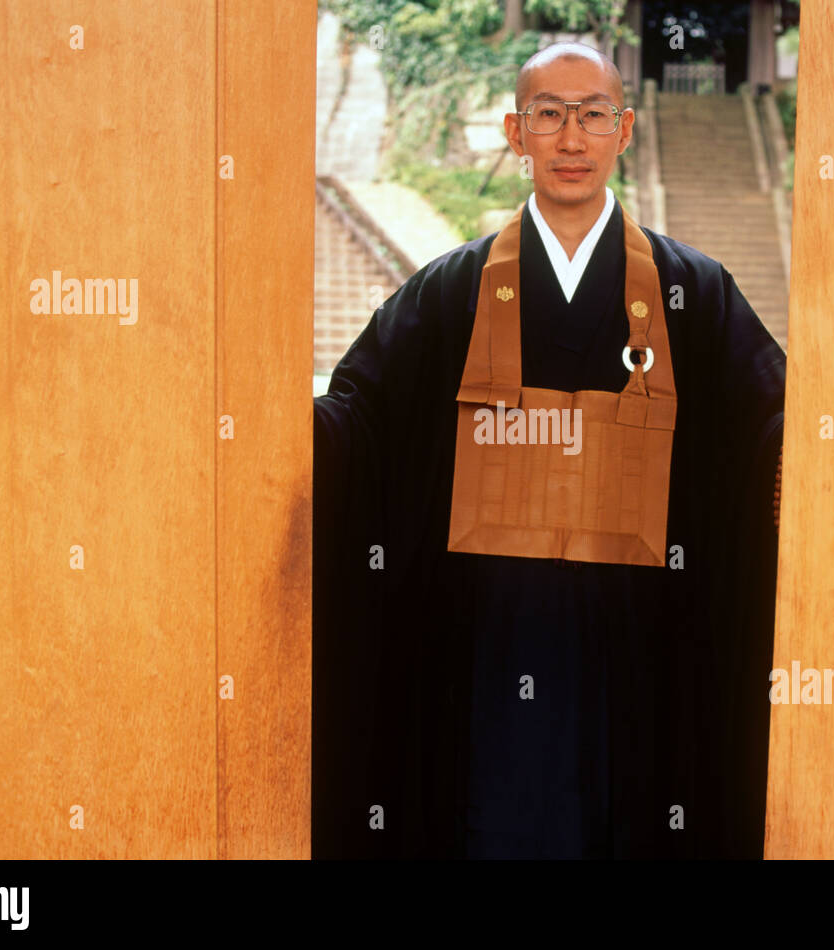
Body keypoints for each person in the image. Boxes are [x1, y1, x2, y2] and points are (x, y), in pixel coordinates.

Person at [312, 41, 785, 859]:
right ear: (515, 131)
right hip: (482, 654)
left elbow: (770, 429)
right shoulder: (449, 292)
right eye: (550, 115)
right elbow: (358, 422)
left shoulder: (693, 294)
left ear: (625, 129)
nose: (573, 138)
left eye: (594, 114)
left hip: (639, 659)